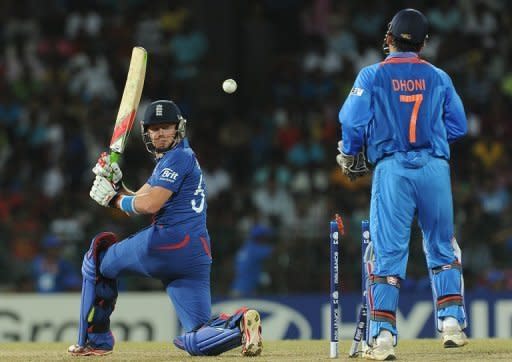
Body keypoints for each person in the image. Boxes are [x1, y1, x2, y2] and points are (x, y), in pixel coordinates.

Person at [68, 100, 262, 357]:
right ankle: (239, 326)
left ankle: (94, 341)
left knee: (97, 259)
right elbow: (138, 199)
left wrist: (112, 199)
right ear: (146, 132)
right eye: (154, 128)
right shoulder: (179, 157)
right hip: (195, 253)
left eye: (166, 127)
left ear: (178, 128)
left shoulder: (176, 158)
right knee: (197, 336)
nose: (160, 133)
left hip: (167, 243)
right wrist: (117, 185)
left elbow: (148, 204)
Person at [337, 9, 468, 361]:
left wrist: (351, 153)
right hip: (434, 169)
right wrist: (432, 143)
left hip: (393, 168)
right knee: (441, 244)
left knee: (389, 251)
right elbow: (459, 126)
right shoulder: (438, 76)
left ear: (389, 38)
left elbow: (350, 120)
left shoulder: (373, 74)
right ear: (424, 42)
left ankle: (382, 337)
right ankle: (452, 325)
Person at [230, 224, 274, 297]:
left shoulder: (245, 247)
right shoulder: (256, 249)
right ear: (259, 237)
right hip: (246, 291)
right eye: (265, 236)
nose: (267, 239)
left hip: (237, 287)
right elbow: (275, 251)